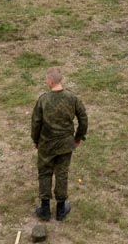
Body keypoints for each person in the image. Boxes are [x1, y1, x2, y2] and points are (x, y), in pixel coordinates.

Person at [31, 67, 89, 222]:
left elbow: (36, 123)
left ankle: (45, 209)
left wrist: (36, 140)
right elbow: (83, 119)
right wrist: (78, 137)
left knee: (45, 173)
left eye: (46, 79)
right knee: (62, 174)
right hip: (65, 144)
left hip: (46, 144)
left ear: (50, 81)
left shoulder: (43, 100)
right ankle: (61, 210)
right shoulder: (72, 98)